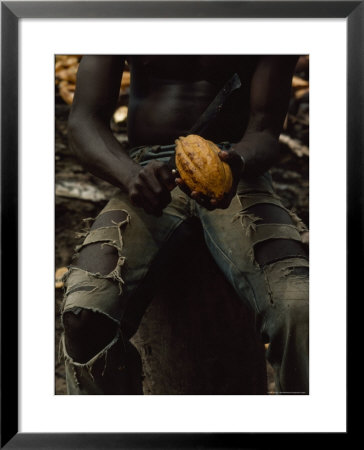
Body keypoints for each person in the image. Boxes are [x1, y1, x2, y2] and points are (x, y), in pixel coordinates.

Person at [60, 55, 309, 395]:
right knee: (84, 313)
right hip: (147, 171)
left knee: (300, 306)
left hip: (236, 171)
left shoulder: (264, 13)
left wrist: (235, 164)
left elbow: (265, 131)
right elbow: (83, 121)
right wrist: (130, 176)